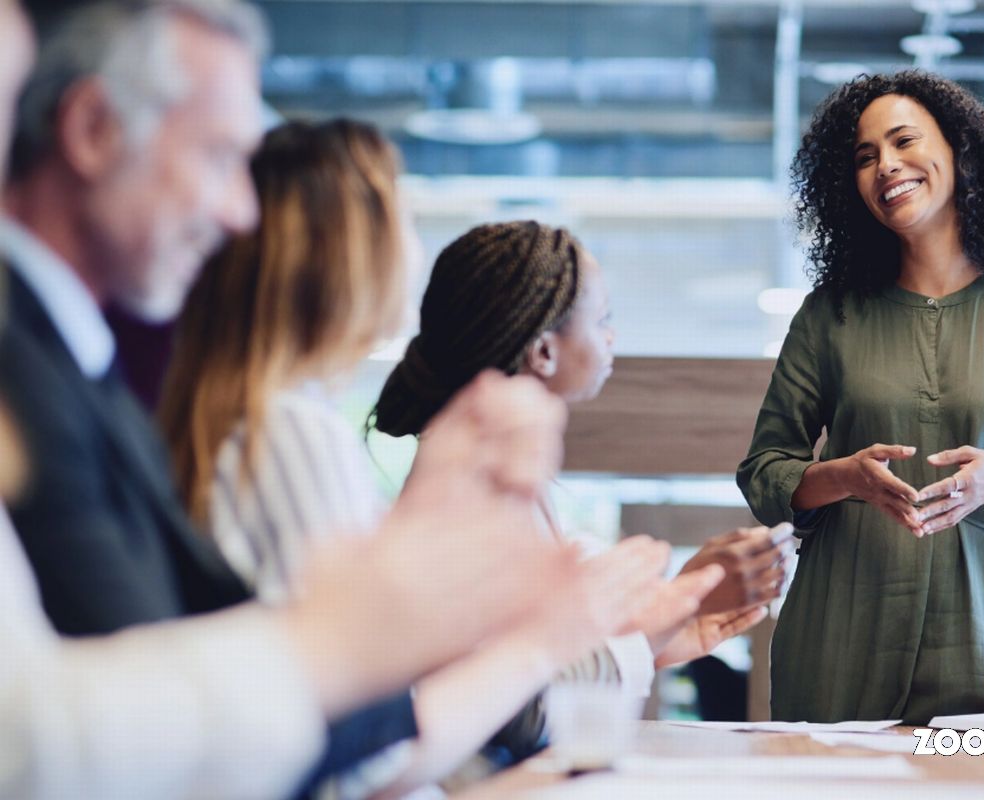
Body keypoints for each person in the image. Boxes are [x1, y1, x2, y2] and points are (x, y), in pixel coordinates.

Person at [0, 0, 592, 792]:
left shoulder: (90, 372)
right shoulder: (39, 368)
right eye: (216, 157)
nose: (239, 211)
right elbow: (50, 731)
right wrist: (352, 628)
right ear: (94, 130)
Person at [157, 118, 721, 796]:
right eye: (401, 215)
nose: (412, 246)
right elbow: (376, 747)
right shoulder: (293, 435)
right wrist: (605, 631)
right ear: (350, 252)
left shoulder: (254, 426)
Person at [736, 71, 984, 724]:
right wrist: (841, 478)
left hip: (980, 654)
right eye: (865, 157)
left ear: (957, 151)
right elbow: (763, 472)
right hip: (835, 650)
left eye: (902, 141)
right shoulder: (830, 315)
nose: (885, 165)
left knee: (979, 788)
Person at [369, 220, 793, 672]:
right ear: (545, 353)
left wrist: (676, 629)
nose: (611, 336)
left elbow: (533, 662)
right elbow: (511, 694)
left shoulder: (496, 472)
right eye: (603, 319)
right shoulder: (468, 493)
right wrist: (682, 598)